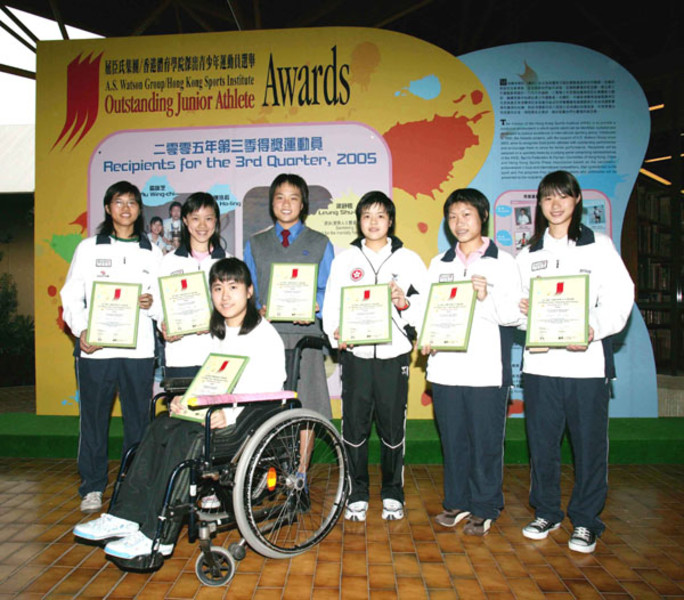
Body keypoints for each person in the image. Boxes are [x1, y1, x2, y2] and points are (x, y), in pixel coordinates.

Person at [73, 258, 287, 561]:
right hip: (213, 413)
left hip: (244, 421)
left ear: (250, 291)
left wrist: (233, 414)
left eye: (234, 287)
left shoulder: (264, 336)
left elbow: (272, 387)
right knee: (161, 424)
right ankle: (125, 516)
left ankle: (157, 535)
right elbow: (210, 378)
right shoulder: (220, 331)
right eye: (218, 288)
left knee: (186, 440)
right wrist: (185, 398)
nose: (225, 295)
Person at [516, 171, 634, 553]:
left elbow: (621, 297)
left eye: (563, 197)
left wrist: (593, 328)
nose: (555, 204)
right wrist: (523, 313)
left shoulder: (598, 247)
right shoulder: (527, 254)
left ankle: (585, 520)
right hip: (541, 367)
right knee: (542, 444)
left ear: (577, 200)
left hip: (586, 367)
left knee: (589, 446)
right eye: (548, 198)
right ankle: (547, 511)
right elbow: (516, 311)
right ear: (539, 204)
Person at [421, 189, 521, 536]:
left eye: (467, 215)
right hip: (446, 369)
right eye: (452, 216)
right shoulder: (439, 263)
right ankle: (458, 502)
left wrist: (485, 295)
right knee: (453, 439)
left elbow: (514, 316)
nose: (459, 223)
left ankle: (485, 506)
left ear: (482, 217)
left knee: (486, 441)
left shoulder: (504, 262)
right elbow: (427, 312)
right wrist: (425, 336)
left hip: (485, 369)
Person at [322, 191, 427, 522]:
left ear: (391, 221)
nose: (373, 222)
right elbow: (332, 307)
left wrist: (404, 303)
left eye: (380, 216)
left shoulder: (408, 260)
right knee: (354, 426)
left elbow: (424, 305)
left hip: (394, 354)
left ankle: (393, 492)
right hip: (356, 354)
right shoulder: (345, 259)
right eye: (367, 215)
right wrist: (334, 331)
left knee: (393, 427)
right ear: (359, 221)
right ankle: (357, 494)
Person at [60, 181, 163, 513]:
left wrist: (151, 303)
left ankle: (133, 484)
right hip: (97, 350)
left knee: (138, 421)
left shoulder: (153, 251)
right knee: (93, 419)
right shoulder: (89, 249)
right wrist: (81, 330)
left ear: (139, 209)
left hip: (139, 351)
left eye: (132, 202)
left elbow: (163, 302)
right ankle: (91, 487)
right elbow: (71, 295)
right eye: (119, 202)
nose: (126, 208)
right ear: (108, 208)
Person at [243, 173, 334, 420]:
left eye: (293, 198)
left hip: (307, 336)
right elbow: (246, 293)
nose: (286, 204)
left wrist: (316, 305)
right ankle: (273, 460)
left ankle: (303, 462)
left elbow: (331, 290)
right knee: (266, 407)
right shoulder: (255, 244)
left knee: (309, 405)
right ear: (272, 203)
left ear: (302, 204)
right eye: (280, 197)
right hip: (266, 336)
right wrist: (257, 308)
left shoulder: (321, 242)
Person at [156, 192, 229, 379]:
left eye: (208, 218)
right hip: (180, 357)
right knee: (181, 408)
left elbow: (237, 309)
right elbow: (157, 303)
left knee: (218, 409)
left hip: (219, 355)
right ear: (185, 221)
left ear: (216, 222)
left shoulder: (229, 262)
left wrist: (215, 321)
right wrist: (162, 324)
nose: (202, 225)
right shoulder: (168, 262)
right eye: (195, 218)